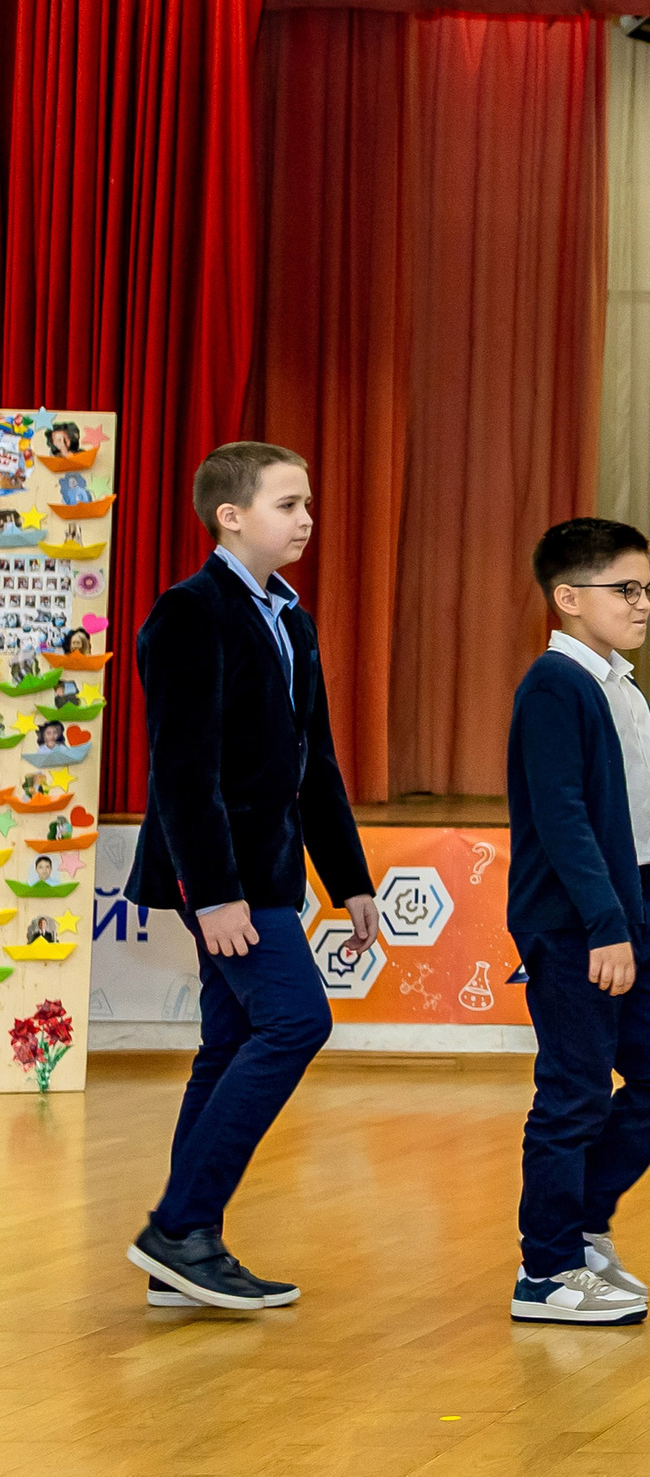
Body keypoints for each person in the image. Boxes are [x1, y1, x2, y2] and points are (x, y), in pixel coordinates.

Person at [123, 442, 378, 1312]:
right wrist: (216, 892)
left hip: (269, 875)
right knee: (297, 1021)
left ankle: (184, 1247)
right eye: (287, 503)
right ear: (230, 516)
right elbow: (183, 774)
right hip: (225, 881)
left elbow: (317, 765)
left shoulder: (290, 617)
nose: (306, 517)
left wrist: (351, 879)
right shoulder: (189, 613)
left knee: (229, 1046)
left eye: (308, 503)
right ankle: (180, 1226)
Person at [506, 517, 650, 1326]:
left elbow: (644, 816)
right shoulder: (555, 686)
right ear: (567, 598)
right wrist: (604, 927)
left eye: (647, 588)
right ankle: (546, 1269)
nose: (642, 603)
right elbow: (562, 819)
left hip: (632, 908)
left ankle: (583, 1220)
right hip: (576, 924)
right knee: (574, 1092)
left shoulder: (619, 684)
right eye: (625, 589)